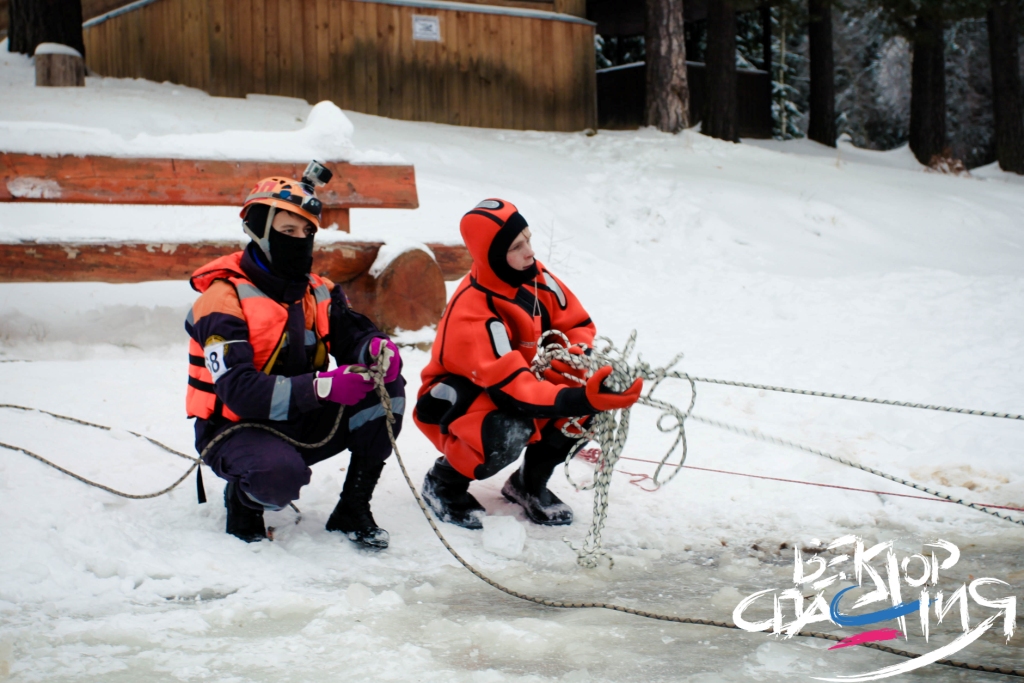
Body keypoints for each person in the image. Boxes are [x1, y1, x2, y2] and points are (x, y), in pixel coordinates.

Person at [184, 165, 405, 547]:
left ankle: (353, 506)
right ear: (259, 231)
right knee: (278, 475)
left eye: (307, 232)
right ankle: (244, 503)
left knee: (389, 393)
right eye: (288, 231)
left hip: (300, 417)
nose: (300, 240)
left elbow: (351, 331)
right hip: (235, 428)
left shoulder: (318, 290)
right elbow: (238, 390)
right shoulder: (221, 301)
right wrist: (322, 388)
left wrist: (374, 347)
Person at [413, 199, 642, 529]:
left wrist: (576, 359)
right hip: (455, 401)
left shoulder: (534, 276)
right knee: (507, 429)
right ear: (491, 254)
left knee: (582, 400)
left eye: (529, 239)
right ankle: (444, 482)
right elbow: (514, 391)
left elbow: (575, 323)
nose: (530, 252)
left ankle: (528, 484)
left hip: (515, 383)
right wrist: (580, 397)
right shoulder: (473, 312)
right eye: (517, 246)